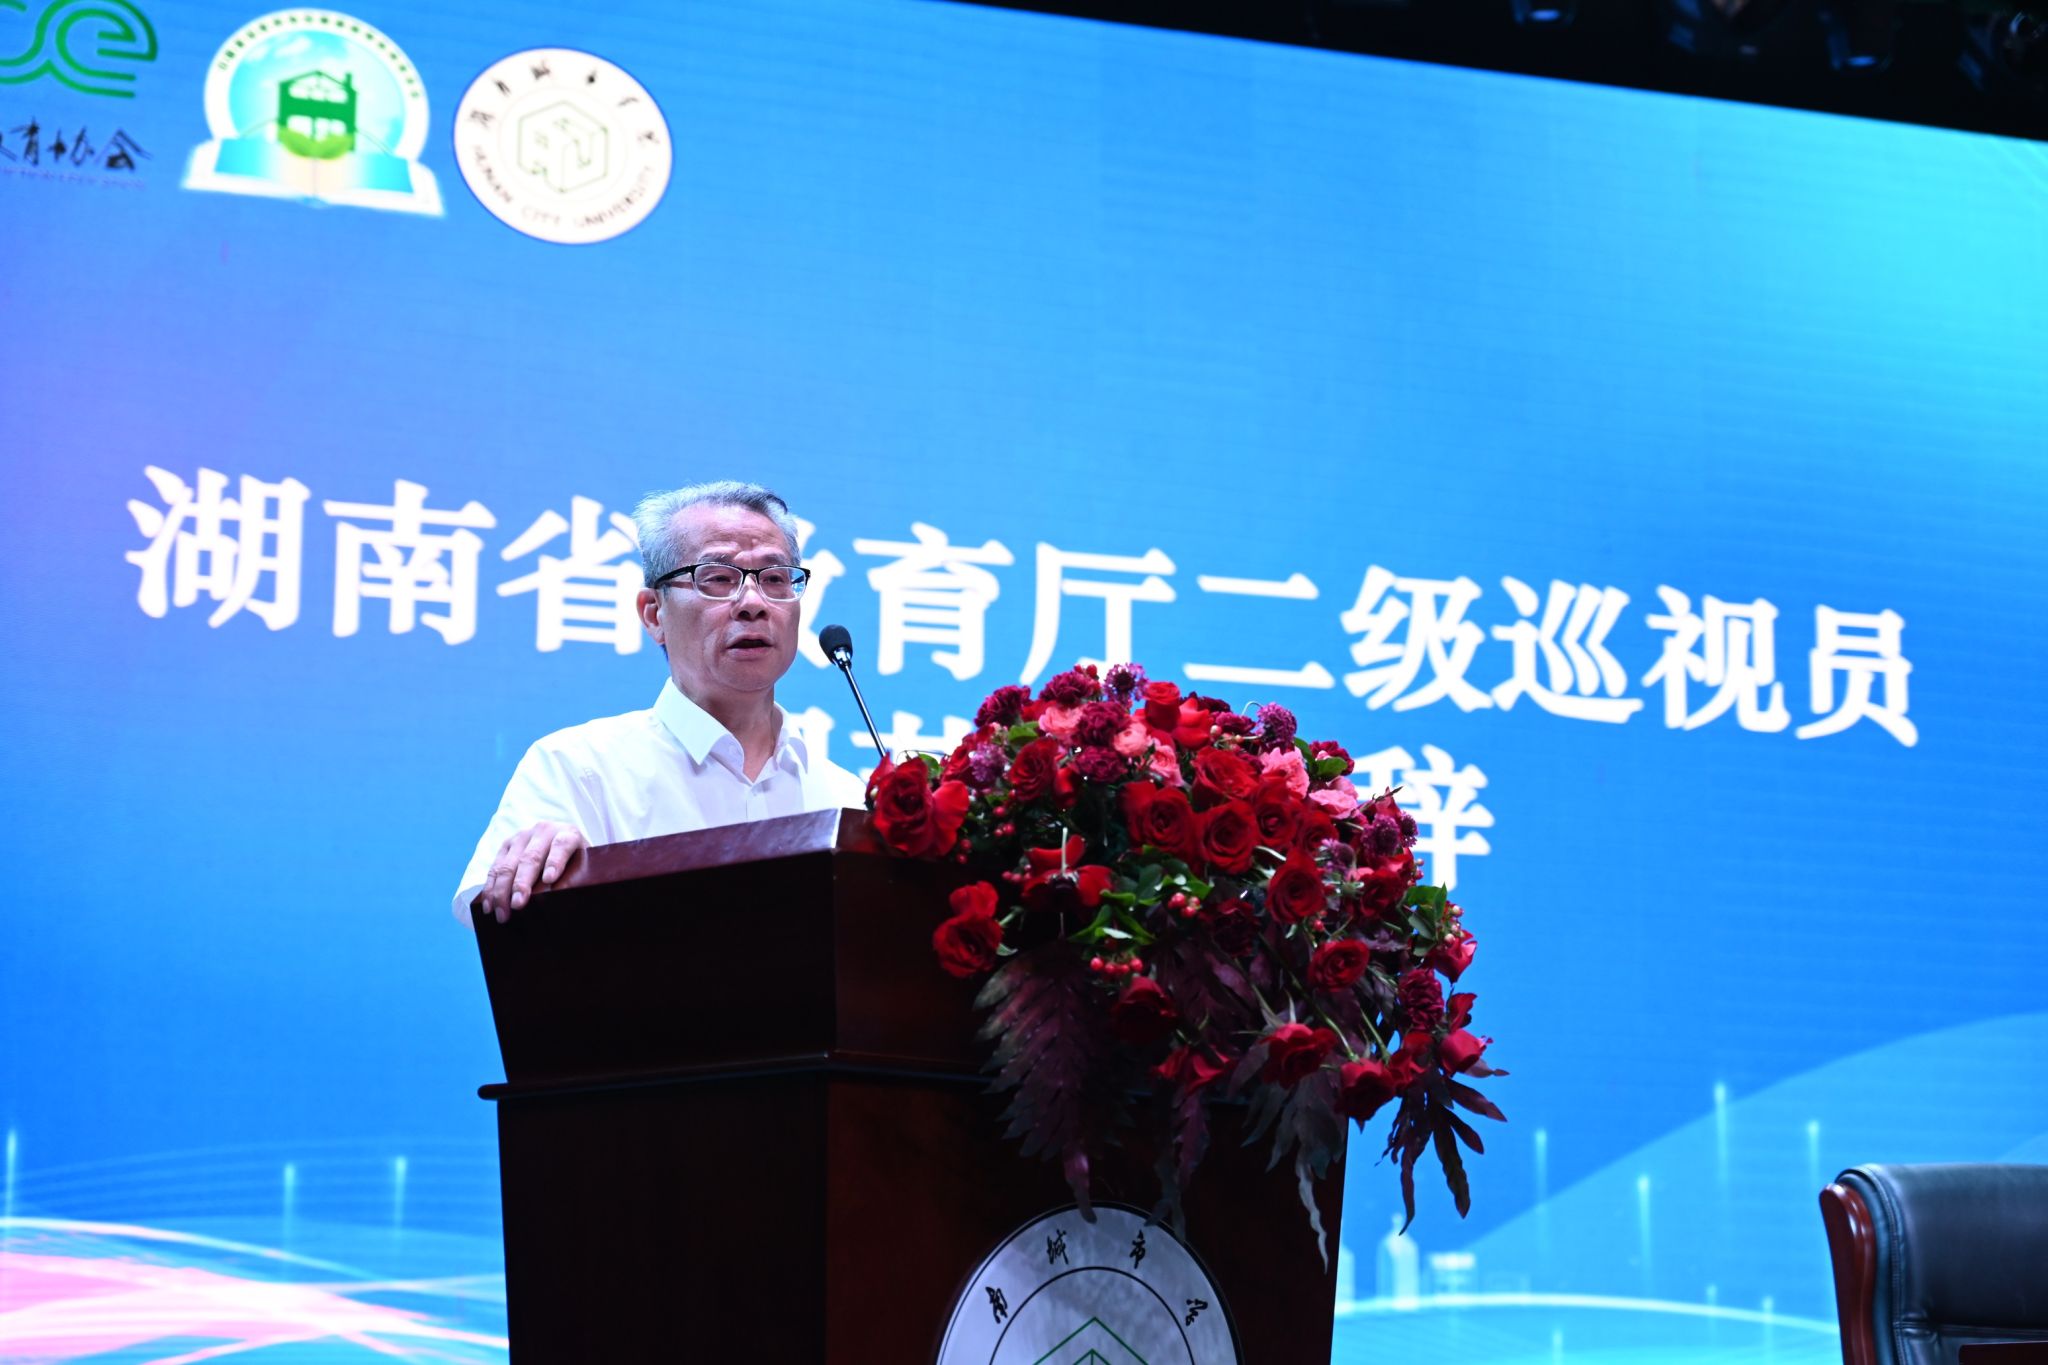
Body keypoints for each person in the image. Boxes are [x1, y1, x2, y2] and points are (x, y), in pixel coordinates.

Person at [453, 481, 867, 924]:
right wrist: (548, 875)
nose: (753, 603)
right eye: (718, 578)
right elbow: (500, 915)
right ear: (654, 613)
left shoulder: (849, 800)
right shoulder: (577, 771)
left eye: (774, 579)